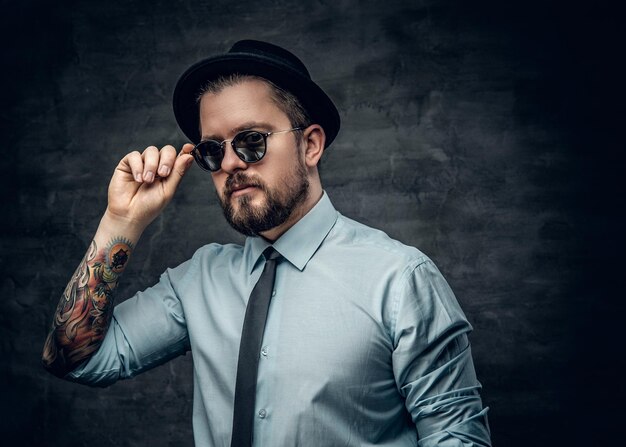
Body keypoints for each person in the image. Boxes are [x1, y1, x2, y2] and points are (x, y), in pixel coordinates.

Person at [42, 40, 491, 446]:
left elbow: (458, 440)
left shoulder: (399, 280)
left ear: (311, 144)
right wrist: (121, 222)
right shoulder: (199, 281)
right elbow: (73, 358)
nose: (232, 163)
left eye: (252, 140)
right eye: (212, 151)